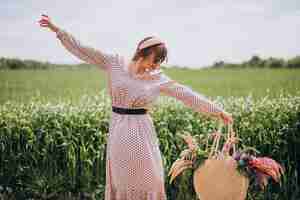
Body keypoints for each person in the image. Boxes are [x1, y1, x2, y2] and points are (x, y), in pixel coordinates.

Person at [39, 14, 233, 200]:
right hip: (120, 132)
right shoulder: (115, 63)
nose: (156, 65)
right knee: (124, 181)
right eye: (155, 60)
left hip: (143, 133)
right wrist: (57, 30)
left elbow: (187, 95)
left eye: (159, 62)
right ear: (144, 53)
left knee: (152, 180)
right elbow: (83, 50)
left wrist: (217, 111)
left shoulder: (158, 78)